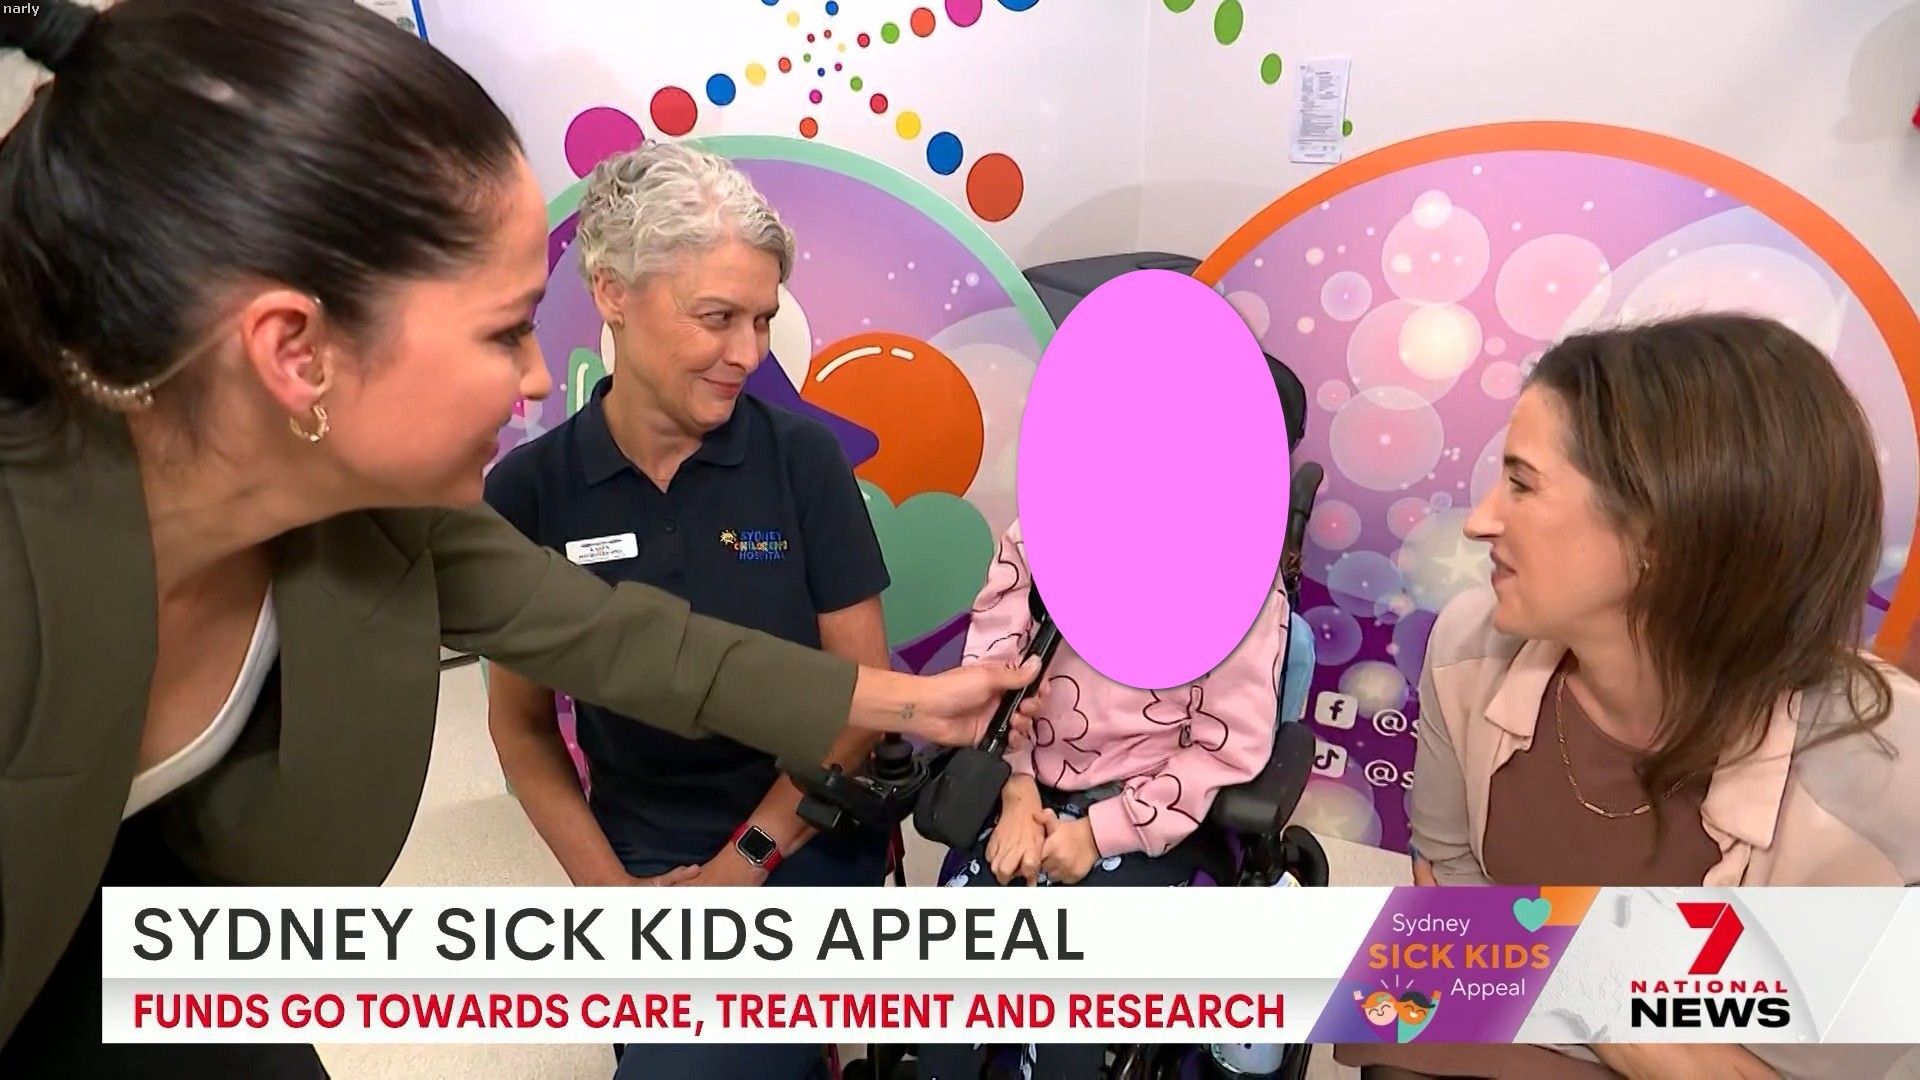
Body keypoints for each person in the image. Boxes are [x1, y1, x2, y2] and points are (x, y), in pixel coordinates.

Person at [0, 1, 1041, 1070]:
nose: (540, 377)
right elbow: (531, 725)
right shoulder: (29, 573)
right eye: (505, 331)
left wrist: (914, 705)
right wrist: (619, 900)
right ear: (296, 353)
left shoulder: (393, 525)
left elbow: (628, 642)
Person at [1337, 315, 1920, 1080]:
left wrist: (1561, 973)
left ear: (1661, 536)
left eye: (1522, 483)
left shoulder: (1885, 773)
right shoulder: (1469, 646)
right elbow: (1448, 887)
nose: (1479, 521)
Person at [483, 141, 893, 1079]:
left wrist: (738, 870)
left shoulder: (802, 464)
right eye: (717, 317)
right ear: (612, 293)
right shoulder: (533, 492)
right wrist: (611, 898)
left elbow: (861, 707)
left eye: (763, 319)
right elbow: (522, 727)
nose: (749, 353)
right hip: (642, 835)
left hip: (805, 820)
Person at [916, 519, 1291, 1080]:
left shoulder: (1240, 577)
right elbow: (991, 670)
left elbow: (1226, 747)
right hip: (1028, 774)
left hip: (1156, 805)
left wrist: (1099, 834)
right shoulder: (1041, 528)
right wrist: (1015, 787)